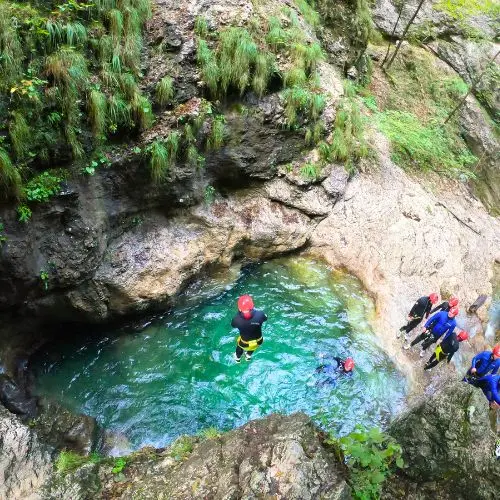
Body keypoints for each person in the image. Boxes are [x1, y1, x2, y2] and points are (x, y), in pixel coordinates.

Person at [231, 295, 267, 363]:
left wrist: (238, 313)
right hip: (259, 341)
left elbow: (233, 325)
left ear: (239, 308)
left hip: (244, 343)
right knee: (253, 346)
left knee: (240, 346)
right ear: (252, 306)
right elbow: (265, 318)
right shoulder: (260, 314)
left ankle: (237, 358)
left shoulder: (236, 319)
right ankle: (248, 356)